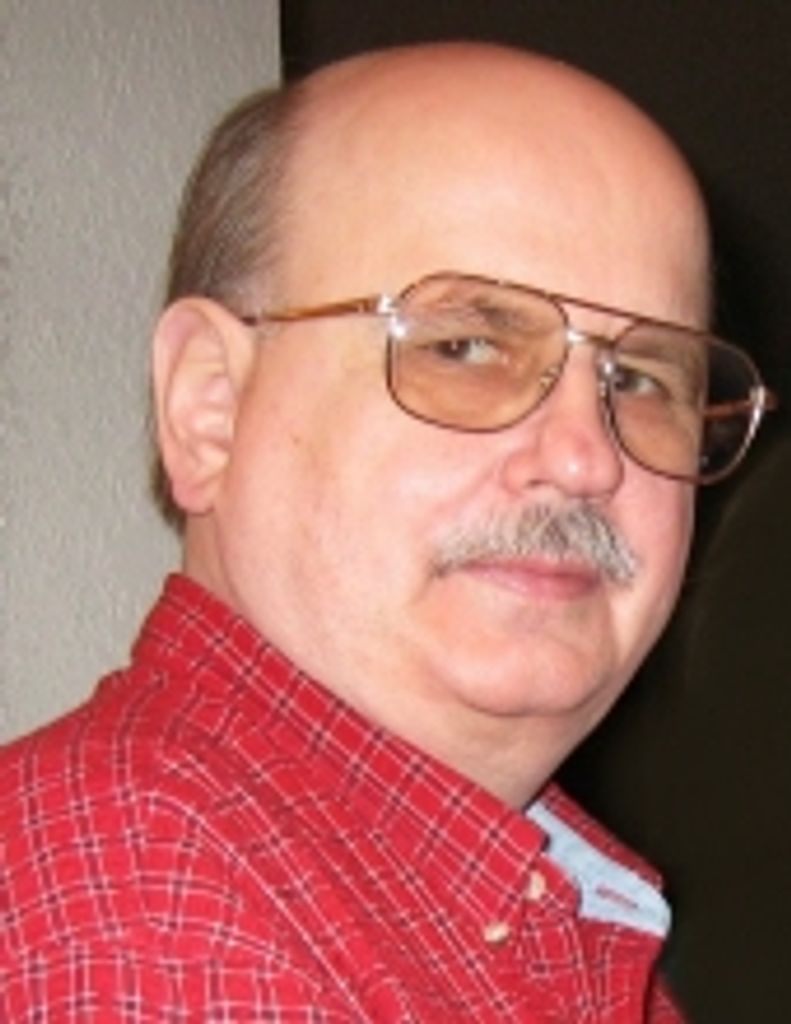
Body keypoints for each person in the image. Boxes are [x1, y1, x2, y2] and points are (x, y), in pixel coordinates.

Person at [0, 42, 774, 1021]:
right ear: (210, 408)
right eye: (467, 345)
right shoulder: (141, 925)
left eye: (641, 378)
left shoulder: (553, 918)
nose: (587, 458)